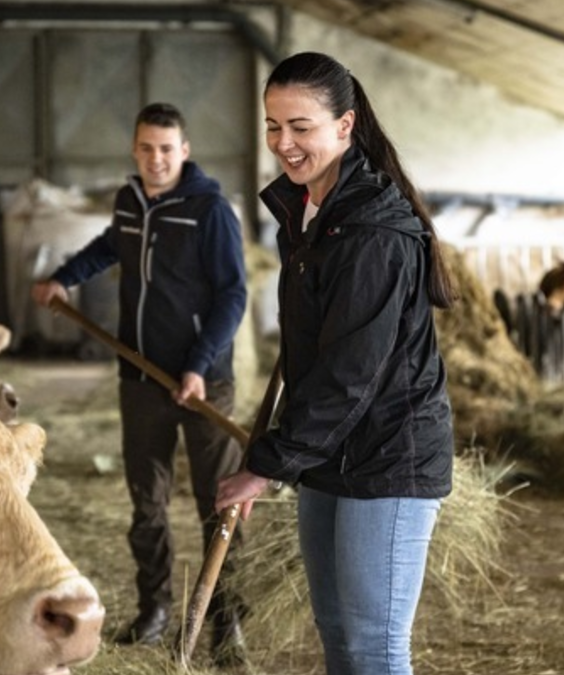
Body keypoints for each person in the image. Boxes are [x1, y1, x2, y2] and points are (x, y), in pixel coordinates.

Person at [214, 52, 455, 675]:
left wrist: (265, 466)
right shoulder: (309, 215)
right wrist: (290, 452)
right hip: (330, 454)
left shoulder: (373, 232)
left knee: (376, 646)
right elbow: (315, 358)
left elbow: (350, 373)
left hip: (389, 457)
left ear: (345, 126)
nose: (284, 143)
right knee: (340, 636)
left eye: (302, 127)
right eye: (273, 126)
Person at [32, 102, 249, 667]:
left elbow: (233, 295)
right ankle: (154, 610)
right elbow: (112, 247)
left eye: (167, 149)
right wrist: (63, 279)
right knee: (145, 502)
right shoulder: (130, 201)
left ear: (185, 151)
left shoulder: (210, 211)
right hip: (140, 377)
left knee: (219, 502)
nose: (156, 159)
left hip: (204, 383)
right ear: (135, 149)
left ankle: (227, 621)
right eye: (147, 148)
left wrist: (200, 364)